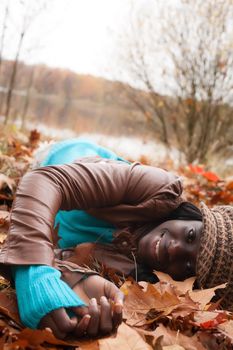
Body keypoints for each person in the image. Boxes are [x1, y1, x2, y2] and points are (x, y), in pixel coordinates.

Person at [0, 139, 232, 339]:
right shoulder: (159, 189)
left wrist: (76, 282)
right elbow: (46, 181)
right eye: (191, 236)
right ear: (193, 216)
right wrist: (34, 272)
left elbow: (54, 257)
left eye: (189, 265)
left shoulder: (143, 279)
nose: (175, 249)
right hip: (56, 161)